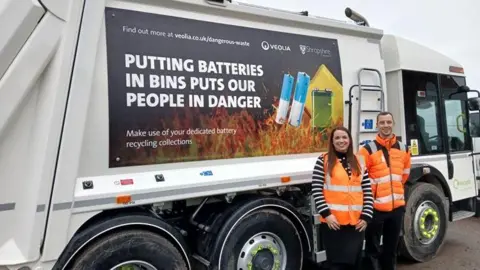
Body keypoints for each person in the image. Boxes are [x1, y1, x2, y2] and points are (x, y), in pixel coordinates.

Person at [312, 126, 374, 270]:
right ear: (332, 142)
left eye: (344, 137)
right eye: (337, 138)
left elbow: (367, 190)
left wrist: (366, 216)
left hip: (356, 224)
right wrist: (327, 215)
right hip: (334, 223)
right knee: (336, 264)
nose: (341, 141)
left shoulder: (359, 161)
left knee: (355, 262)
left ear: (350, 140)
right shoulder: (324, 160)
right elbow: (316, 189)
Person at [358, 112, 411, 270]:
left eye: (389, 122)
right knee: (372, 250)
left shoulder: (404, 148)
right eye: (382, 122)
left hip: (397, 209)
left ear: (393, 123)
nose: (386, 125)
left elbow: (405, 175)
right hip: (375, 208)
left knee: (391, 249)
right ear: (377, 125)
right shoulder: (366, 150)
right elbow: (360, 177)